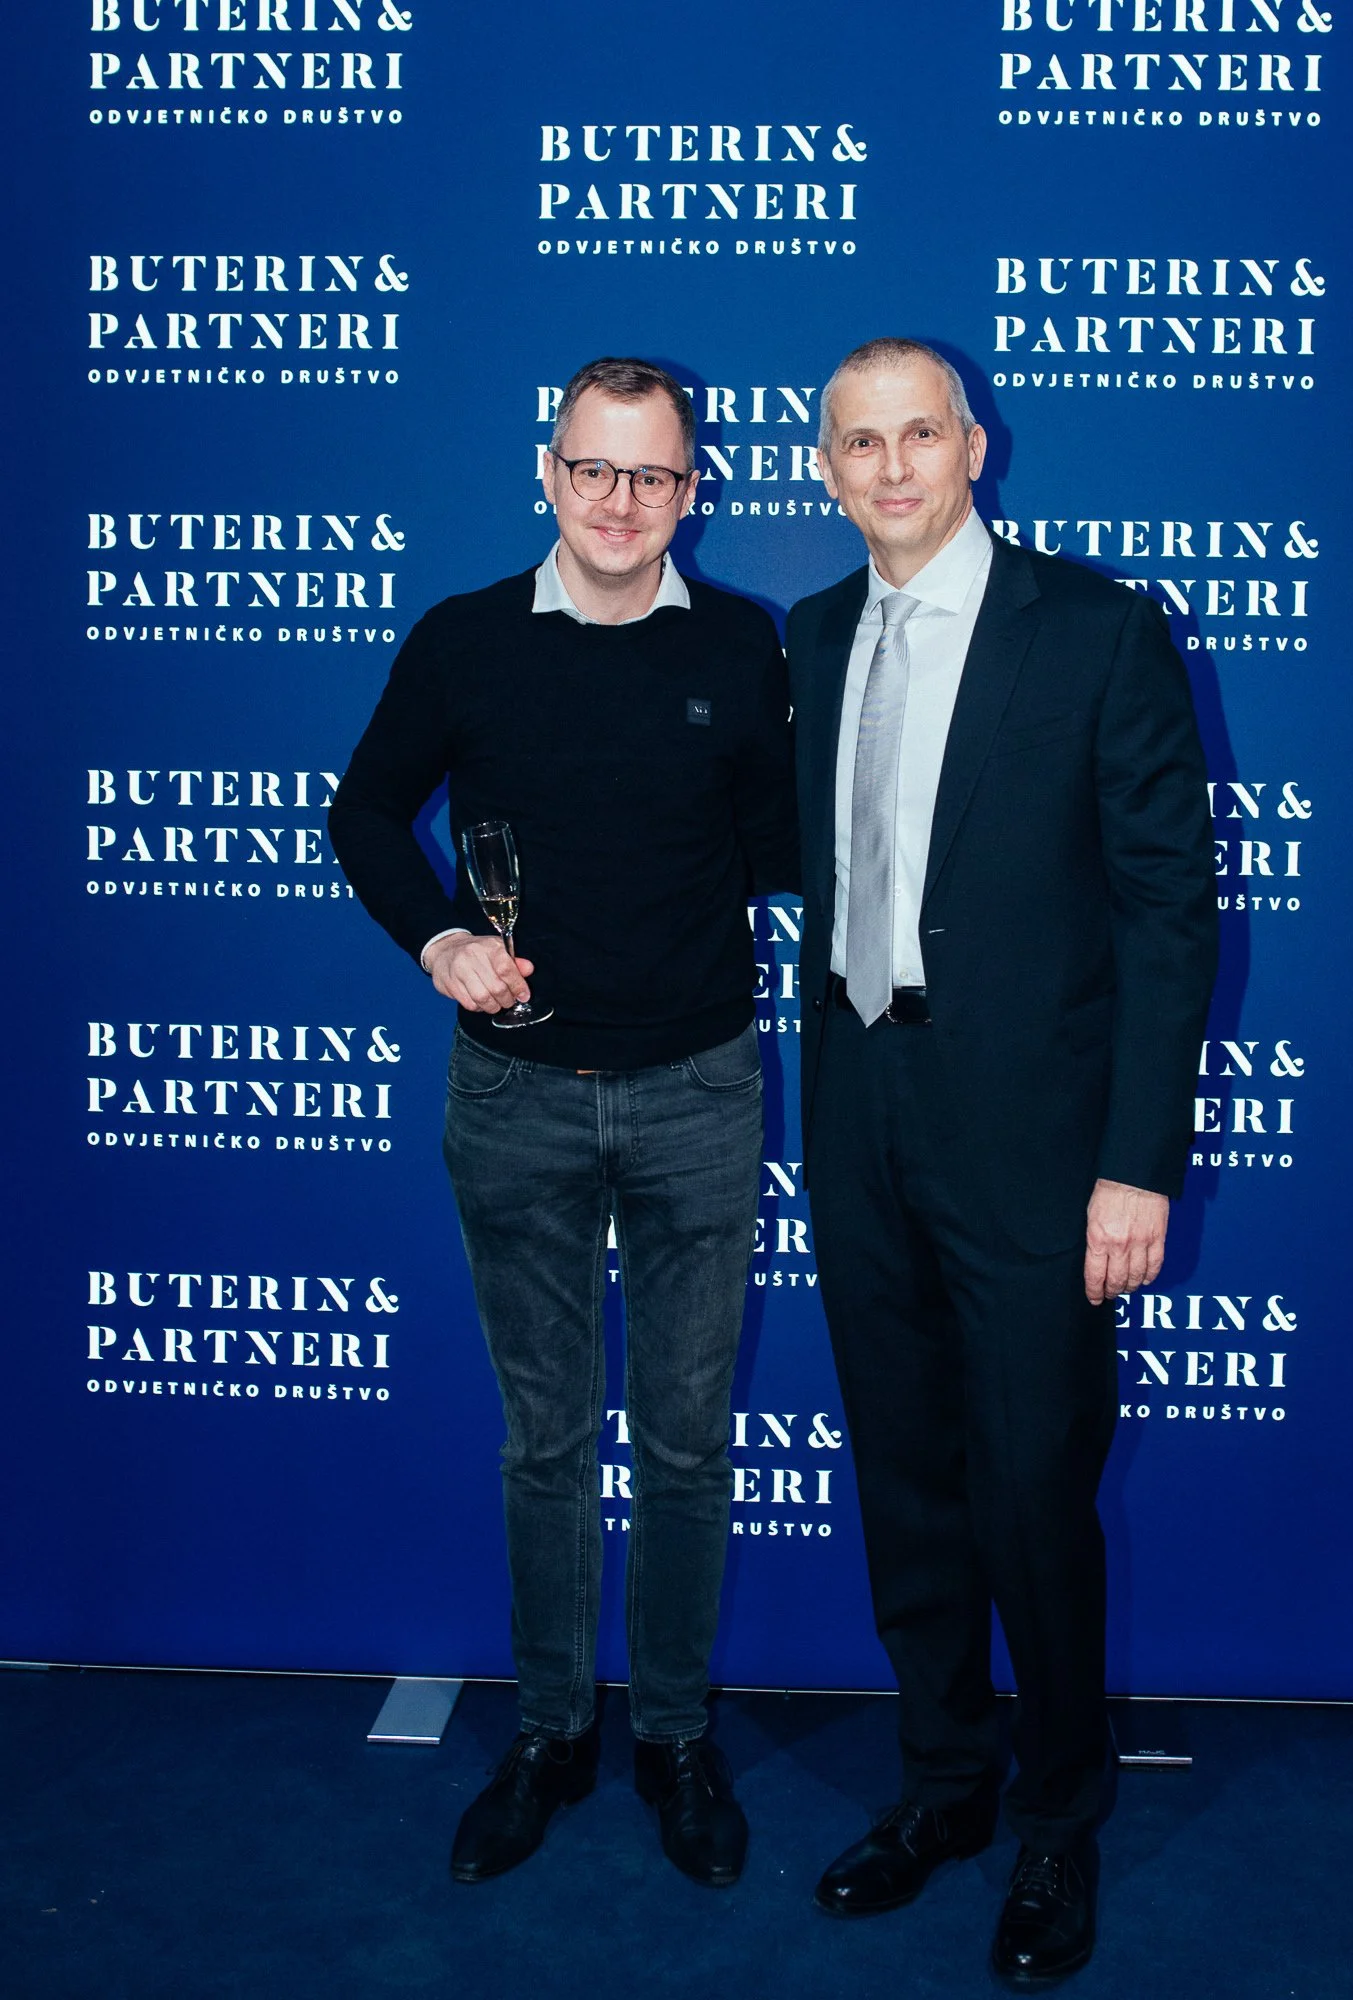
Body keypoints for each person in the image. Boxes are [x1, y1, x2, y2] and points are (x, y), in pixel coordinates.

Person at [329, 356, 799, 1891]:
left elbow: (791, 846)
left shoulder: (745, 645)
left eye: (652, 476)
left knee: (681, 1443)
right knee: (546, 1441)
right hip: (515, 1096)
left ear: (692, 491)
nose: (619, 503)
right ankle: (549, 1728)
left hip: (699, 1094)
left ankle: (670, 1732)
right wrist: (439, 938)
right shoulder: (464, 640)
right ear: (547, 472)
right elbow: (362, 811)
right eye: (593, 471)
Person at [786, 339, 1216, 1986]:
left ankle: (1055, 1821)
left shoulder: (1099, 630)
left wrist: (1137, 1164)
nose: (890, 467)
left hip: (1042, 1152)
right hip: (860, 1120)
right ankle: (942, 1787)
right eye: (858, 442)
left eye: (919, 434)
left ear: (977, 445)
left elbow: (1170, 913)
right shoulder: (812, 639)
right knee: (905, 1483)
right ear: (824, 467)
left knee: (1032, 1497)